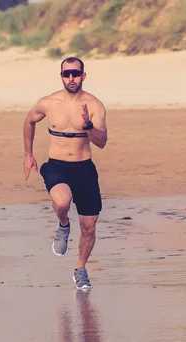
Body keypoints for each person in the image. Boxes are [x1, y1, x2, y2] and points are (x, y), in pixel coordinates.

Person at [22, 56, 107, 289]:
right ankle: (63, 224)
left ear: (83, 76)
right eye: (66, 74)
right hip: (57, 165)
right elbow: (29, 121)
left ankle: (80, 269)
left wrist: (88, 126)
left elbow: (102, 142)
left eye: (76, 73)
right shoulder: (48, 102)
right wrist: (28, 154)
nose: (71, 78)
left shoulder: (94, 105)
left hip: (84, 168)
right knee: (62, 201)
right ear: (61, 76)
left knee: (89, 227)